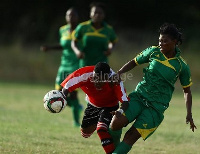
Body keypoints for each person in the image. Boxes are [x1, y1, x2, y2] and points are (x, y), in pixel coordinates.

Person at [109, 23, 197, 154]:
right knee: (115, 124)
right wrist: (119, 72)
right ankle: (115, 150)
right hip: (139, 97)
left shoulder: (181, 66)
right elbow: (134, 61)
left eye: (164, 41)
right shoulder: (153, 51)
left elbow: (187, 91)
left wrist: (189, 113)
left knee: (130, 137)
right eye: (160, 40)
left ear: (175, 42)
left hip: (155, 108)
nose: (161, 43)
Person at [61, 62, 129, 154]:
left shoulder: (115, 81)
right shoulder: (84, 74)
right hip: (93, 105)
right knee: (85, 133)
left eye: (100, 80)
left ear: (107, 78)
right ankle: (106, 125)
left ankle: (112, 145)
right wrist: (62, 98)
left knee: (101, 129)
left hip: (110, 107)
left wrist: (120, 111)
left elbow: (125, 102)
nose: (97, 82)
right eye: (95, 78)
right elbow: (66, 87)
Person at [40, 8, 82, 127]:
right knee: (59, 92)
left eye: (73, 15)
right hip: (64, 64)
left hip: (76, 64)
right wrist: (49, 48)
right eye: (68, 15)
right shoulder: (62, 30)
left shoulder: (81, 29)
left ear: (77, 17)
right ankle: (76, 106)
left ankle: (76, 122)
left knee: (72, 93)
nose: (70, 18)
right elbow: (63, 45)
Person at [71, 2, 118, 67]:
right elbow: (73, 42)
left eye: (100, 13)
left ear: (104, 15)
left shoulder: (108, 29)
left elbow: (114, 41)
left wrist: (110, 49)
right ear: (90, 14)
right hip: (85, 64)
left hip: (102, 65)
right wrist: (77, 51)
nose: (97, 15)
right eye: (95, 12)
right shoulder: (82, 27)